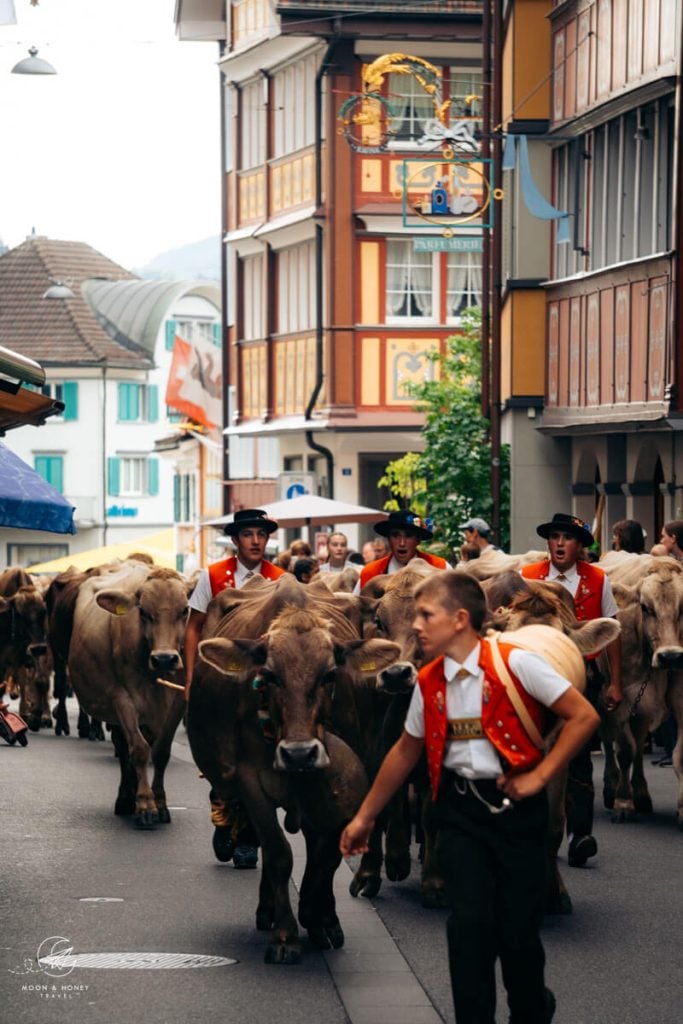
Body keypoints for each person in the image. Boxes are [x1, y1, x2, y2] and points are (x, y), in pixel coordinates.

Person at [341, 571, 599, 1024]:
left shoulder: (517, 663)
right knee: (467, 932)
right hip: (457, 814)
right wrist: (365, 816)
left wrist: (541, 777)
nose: (415, 626)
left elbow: (583, 716)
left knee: (517, 935)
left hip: (517, 811)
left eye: (426, 615)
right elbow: (406, 750)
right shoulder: (427, 681)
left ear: (460, 619)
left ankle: (531, 1007)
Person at [184, 508, 285, 867]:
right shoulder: (213, 576)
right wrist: (193, 676)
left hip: (263, 681)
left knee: (260, 753)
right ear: (236, 540)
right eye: (248, 534)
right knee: (222, 751)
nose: (256, 541)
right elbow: (194, 626)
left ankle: (250, 835)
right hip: (221, 678)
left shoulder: (281, 579)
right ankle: (223, 812)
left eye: (262, 534)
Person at [521, 512, 622, 868]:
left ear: (580, 546)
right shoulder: (528, 577)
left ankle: (580, 833)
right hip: (533, 673)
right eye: (555, 537)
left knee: (576, 753)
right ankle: (533, 829)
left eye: (568, 538)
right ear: (548, 543)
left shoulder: (598, 578)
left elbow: (611, 632)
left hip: (581, 673)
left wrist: (614, 682)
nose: (560, 543)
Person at [356, 509, 448, 591]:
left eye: (408, 536)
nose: (402, 543)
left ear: (418, 540)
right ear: (388, 539)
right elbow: (355, 608)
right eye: (395, 535)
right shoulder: (370, 573)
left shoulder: (440, 568)